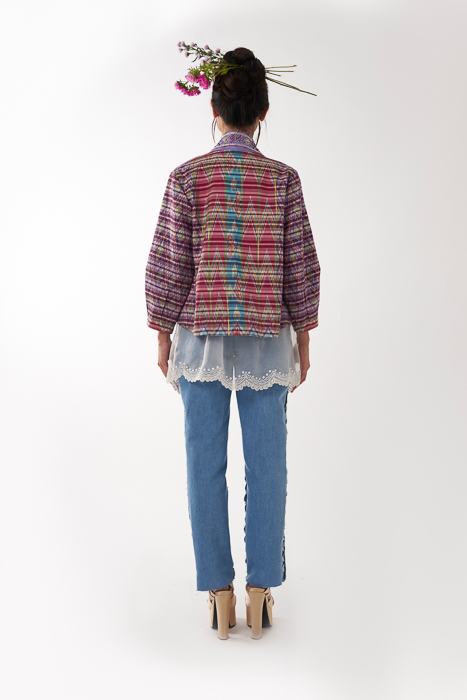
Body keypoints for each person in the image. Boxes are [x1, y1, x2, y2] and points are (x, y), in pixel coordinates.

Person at [145, 46, 320, 640]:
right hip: (268, 338)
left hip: (201, 339)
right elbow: (301, 267)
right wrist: (304, 339)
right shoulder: (284, 180)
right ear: (263, 112)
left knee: (204, 465)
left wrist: (162, 334)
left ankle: (218, 593)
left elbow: (169, 263)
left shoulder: (186, 178)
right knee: (269, 467)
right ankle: (261, 590)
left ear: (213, 111)